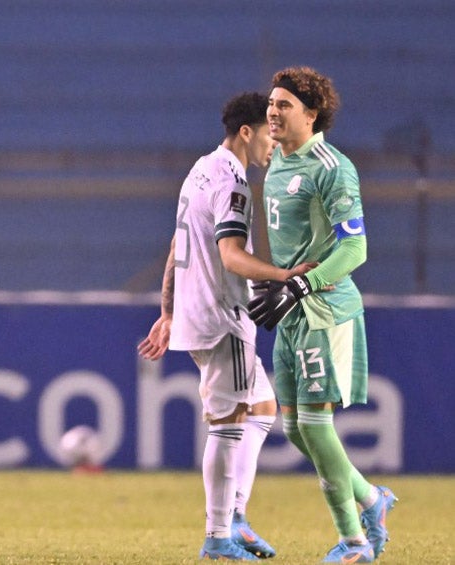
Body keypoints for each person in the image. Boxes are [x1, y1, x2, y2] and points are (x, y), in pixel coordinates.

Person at [138, 92, 310, 560]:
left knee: (261, 407)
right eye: (268, 133)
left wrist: (169, 310)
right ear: (247, 132)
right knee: (227, 423)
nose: (274, 143)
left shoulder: (200, 169)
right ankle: (218, 535)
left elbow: (178, 244)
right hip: (223, 316)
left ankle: (234, 517)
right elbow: (231, 256)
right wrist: (285, 275)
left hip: (197, 311)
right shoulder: (233, 184)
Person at [246, 66, 396, 563]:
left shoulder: (332, 167)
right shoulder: (276, 163)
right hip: (291, 307)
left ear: (312, 115)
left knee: (314, 424)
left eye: (284, 104)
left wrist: (302, 284)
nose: (273, 111)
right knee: (293, 428)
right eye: (272, 102)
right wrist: (281, 281)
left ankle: (355, 542)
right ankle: (373, 500)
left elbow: (355, 250)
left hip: (324, 310)